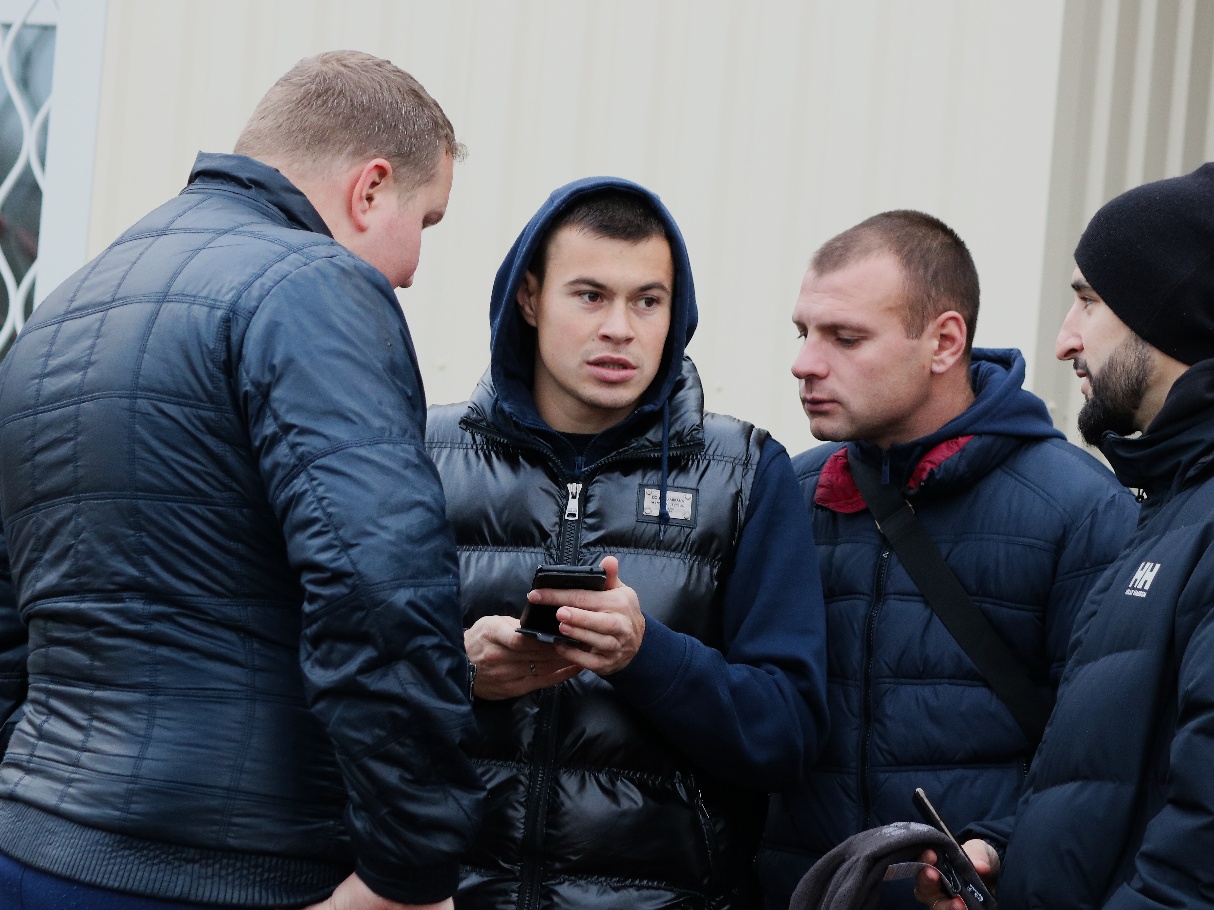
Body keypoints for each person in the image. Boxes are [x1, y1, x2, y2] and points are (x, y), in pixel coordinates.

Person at [0, 51, 484, 910]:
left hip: (32, 846)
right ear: (371, 188)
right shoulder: (315, 285)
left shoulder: (59, 314)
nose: (414, 268)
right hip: (226, 867)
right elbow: (377, 587)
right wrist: (408, 871)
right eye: (428, 220)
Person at [917, 162, 1214, 909]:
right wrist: (1009, 852)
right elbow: (1127, 783)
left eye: (1088, 302)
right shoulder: (1192, 501)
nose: (1064, 342)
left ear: (1173, 316)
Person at [425, 177, 828, 910]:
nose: (620, 328)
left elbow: (787, 737)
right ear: (529, 299)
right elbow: (331, 684)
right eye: (590, 296)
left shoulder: (743, 474)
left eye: (647, 301)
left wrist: (647, 655)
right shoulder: (424, 455)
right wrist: (459, 671)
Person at [757, 210, 1137, 908]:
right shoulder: (786, 492)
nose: (804, 362)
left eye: (845, 337)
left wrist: (1003, 848)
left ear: (943, 342)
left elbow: (1107, 759)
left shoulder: (1081, 509)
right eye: (803, 333)